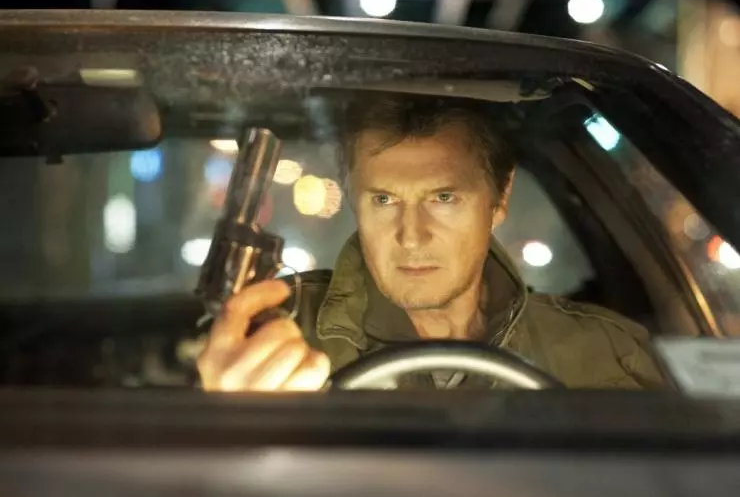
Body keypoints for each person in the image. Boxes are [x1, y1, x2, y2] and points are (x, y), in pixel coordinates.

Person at [197, 96, 665, 391]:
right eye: (384, 199)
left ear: (499, 199)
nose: (412, 235)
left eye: (443, 198)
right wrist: (228, 426)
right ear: (353, 199)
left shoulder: (606, 354)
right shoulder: (271, 337)